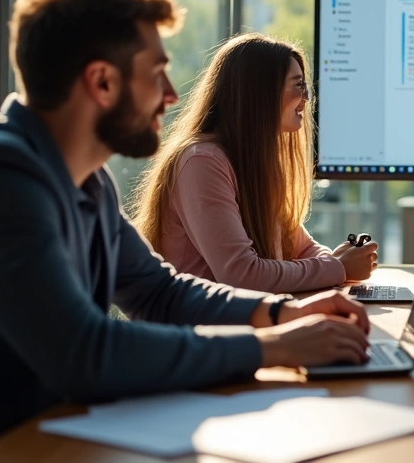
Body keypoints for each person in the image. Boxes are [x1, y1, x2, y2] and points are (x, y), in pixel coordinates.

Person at [0, 0, 373, 462]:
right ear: (103, 82)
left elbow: (158, 291)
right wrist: (276, 347)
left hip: (49, 436)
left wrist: (284, 313)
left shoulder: (83, 179)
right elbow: (86, 354)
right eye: (156, 73)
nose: (172, 95)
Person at [131, 34, 377, 293]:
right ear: (261, 93)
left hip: (239, 324)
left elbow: (301, 248)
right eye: (297, 85)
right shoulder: (202, 162)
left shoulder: (255, 164)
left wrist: (335, 263)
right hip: (197, 330)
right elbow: (241, 275)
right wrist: (337, 268)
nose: (306, 98)